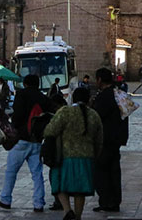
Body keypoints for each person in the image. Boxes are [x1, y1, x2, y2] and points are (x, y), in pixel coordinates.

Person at [0, 74, 56, 212]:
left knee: (11, 171)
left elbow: (17, 115)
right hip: (37, 140)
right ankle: (38, 203)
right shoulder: (43, 98)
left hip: (21, 139)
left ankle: (6, 199)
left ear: (26, 83)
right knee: (37, 173)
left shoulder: (22, 95)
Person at [43, 88, 103, 220]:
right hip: (87, 158)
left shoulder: (65, 112)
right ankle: (78, 216)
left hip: (65, 157)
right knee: (79, 191)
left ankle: (67, 210)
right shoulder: (94, 115)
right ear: (88, 99)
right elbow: (99, 140)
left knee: (59, 184)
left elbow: (49, 131)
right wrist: (95, 156)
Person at [92, 67, 127, 213]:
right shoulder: (119, 94)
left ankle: (106, 201)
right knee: (114, 171)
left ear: (100, 80)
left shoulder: (103, 97)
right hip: (117, 138)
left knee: (102, 172)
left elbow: (96, 118)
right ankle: (114, 201)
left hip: (104, 140)